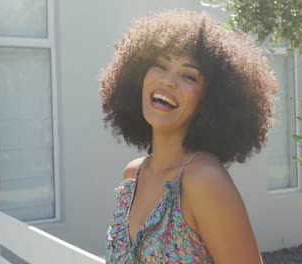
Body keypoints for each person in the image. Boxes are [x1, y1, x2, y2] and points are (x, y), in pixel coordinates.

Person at [100, 9, 278, 263]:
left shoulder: (203, 180)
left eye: (188, 75)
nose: (168, 81)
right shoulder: (132, 177)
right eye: (160, 65)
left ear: (209, 100)